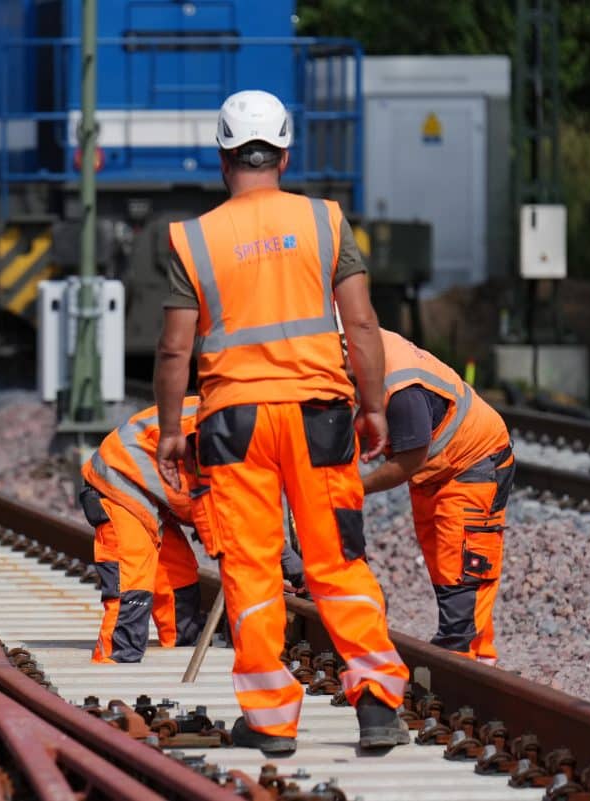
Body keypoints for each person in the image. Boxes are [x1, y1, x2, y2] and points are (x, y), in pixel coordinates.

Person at [153, 89, 409, 756]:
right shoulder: (326, 221)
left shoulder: (195, 237)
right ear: (285, 155)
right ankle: (378, 701)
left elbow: (176, 347)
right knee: (336, 559)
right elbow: (360, 322)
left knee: (253, 567)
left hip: (233, 423)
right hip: (320, 417)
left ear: (223, 158)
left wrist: (175, 427)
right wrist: (375, 403)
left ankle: (270, 720)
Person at [360, 329, 514, 664]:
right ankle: (478, 657)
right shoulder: (361, 345)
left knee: (460, 564)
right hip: (436, 468)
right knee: (446, 559)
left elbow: (408, 461)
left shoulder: (402, 391)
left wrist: (356, 488)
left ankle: (458, 655)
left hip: (472, 462)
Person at [79, 397, 207, 663]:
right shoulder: (219, 425)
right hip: (119, 480)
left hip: (153, 491)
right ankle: (115, 661)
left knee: (178, 577)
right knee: (132, 578)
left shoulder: (243, 418)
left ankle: (180, 650)